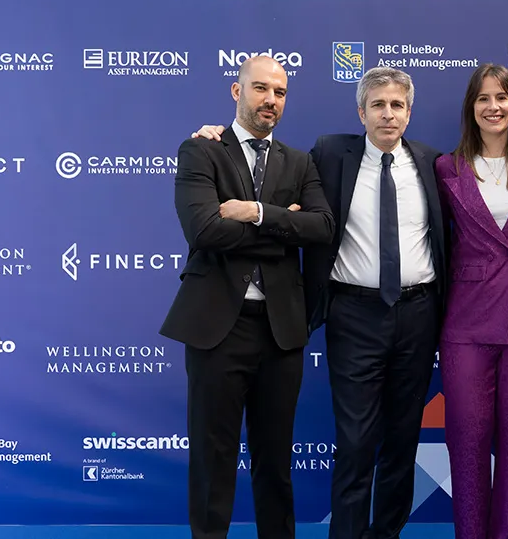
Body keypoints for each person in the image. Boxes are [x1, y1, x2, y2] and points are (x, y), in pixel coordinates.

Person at [190, 65, 448, 539]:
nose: (388, 114)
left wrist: (262, 216)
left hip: (418, 313)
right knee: (354, 441)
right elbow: (275, 191)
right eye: (377, 105)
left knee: (403, 438)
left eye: (397, 105)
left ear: (410, 113)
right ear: (361, 112)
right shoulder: (329, 154)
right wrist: (215, 134)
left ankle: (386, 533)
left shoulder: (434, 163)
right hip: (354, 313)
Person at [160, 55, 335, 539]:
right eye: (261, 89)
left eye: (280, 92)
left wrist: (256, 212)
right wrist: (283, 225)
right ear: (237, 91)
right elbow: (204, 231)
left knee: (275, 461)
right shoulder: (202, 151)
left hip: (281, 331)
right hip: (217, 326)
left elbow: (321, 227)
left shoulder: (300, 162)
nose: (270, 100)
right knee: (212, 459)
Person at [434, 63, 508, 539]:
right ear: (471, 108)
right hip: (466, 324)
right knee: (467, 447)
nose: (493, 106)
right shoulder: (446, 168)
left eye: (502, 97)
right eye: (483, 98)